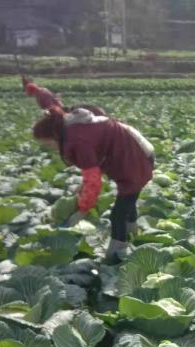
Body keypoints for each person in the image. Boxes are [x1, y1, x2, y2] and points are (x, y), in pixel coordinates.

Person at [27, 85, 155, 264]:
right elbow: (94, 167)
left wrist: (81, 211)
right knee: (128, 202)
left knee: (118, 214)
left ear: (54, 136)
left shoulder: (77, 141)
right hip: (131, 151)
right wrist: (82, 193)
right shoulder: (69, 125)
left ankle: (116, 257)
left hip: (135, 157)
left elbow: (94, 181)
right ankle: (134, 236)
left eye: (49, 144)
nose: (51, 149)